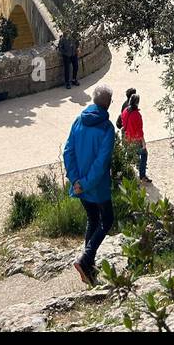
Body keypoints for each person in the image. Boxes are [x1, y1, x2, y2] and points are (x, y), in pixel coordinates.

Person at [63, 85, 115, 287]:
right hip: (97, 186)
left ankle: (88, 265)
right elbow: (101, 163)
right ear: (109, 103)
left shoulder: (78, 120)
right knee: (107, 219)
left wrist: (75, 181)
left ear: (93, 100)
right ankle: (85, 259)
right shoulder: (107, 128)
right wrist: (84, 184)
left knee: (92, 219)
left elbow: (68, 152)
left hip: (80, 184)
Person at [121, 93, 150, 183]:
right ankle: (142, 175)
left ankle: (126, 173)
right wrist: (143, 143)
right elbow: (139, 131)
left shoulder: (125, 111)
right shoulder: (137, 115)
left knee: (129, 155)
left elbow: (122, 121)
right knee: (144, 154)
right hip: (135, 139)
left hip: (126, 137)